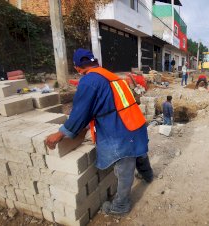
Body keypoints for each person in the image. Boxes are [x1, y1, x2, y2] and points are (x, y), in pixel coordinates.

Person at [44, 48, 153, 215]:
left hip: (121, 127)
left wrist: (59, 134)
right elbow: (103, 103)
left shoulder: (89, 81)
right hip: (135, 122)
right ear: (95, 62)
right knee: (139, 152)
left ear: (78, 67)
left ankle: (121, 206)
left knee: (124, 168)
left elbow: (80, 112)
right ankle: (148, 176)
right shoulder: (110, 75)